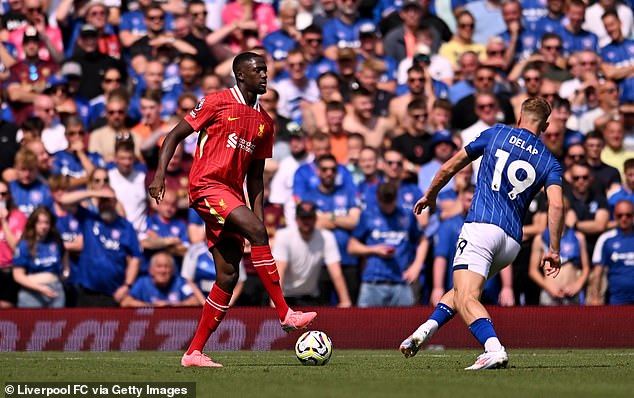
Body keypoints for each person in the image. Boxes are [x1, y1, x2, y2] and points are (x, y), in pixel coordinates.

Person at [148, 52, 317, 368]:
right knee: (254, 232)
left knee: (228, 275)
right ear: (241, 75)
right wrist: (160, 174)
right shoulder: (216, 102)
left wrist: (258, 219)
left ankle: (193, 353)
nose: (265, 75)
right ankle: (284, 312)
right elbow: (174, 135)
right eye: (259, 70)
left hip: (231, 196)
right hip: (205, 186)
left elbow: (256, 179)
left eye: (266, 70)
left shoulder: (265, 123)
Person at [399, 97, 564, 370]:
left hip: (481, 227)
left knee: (466, 296)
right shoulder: (550, 161)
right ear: (545, 126)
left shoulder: (496, 132)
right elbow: (556, 204)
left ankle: (493, 348)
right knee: (464, 289)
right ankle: (424, 331)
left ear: (520, 118)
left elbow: (451, 165)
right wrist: (554, 249)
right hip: (511, 242)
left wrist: (430, 194)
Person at [348, 182, 425, 307]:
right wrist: (374, 250)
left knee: (407, 325)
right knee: (364, 325)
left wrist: (416, 266)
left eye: (390, 202)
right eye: (384, 202)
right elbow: (352, 246)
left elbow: (423, 240)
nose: (388, 207)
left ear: (396, 198)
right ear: (378, 198)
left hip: (401, 282)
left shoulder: (406, 216)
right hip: (373, 282)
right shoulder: (368, 215)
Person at [272, 201, 351, 307]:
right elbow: (279, 272)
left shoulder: (326, 237)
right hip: (286, 298)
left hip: (310, 298)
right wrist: (276, 303)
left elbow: (336, 272)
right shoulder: (284, 236)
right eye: (303, 218)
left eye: (310, 218)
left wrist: (345, 301)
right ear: (296, 219)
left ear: (315, 219)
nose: (307, 222)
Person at [12, 206, 68, 308]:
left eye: (46, 222)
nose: (44, 226)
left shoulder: (55, 241)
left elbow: (65, 253)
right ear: (33, 224)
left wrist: (66, 273)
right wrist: (41, 288)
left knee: (57, 323)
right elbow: (18, 276)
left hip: (55, 290)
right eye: (40, 222)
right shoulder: (24, 245)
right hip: (32, 293)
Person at [589, 200, 634, 305]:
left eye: (628, 215)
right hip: (617, 300)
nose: (624, 219)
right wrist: (595, 298)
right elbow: (597, 272)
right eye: (620, 215)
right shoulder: (606, 239)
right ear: (614, 216)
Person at [120, 251, 204, 308]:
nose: (163, 271)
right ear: (151, 270)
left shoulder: (180, 282)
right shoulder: (142, 283)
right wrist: (152, 307)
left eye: (166, 267)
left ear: (173, 270)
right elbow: (125, 301)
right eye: (159, 266)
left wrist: (171, 306)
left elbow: (195, 300)